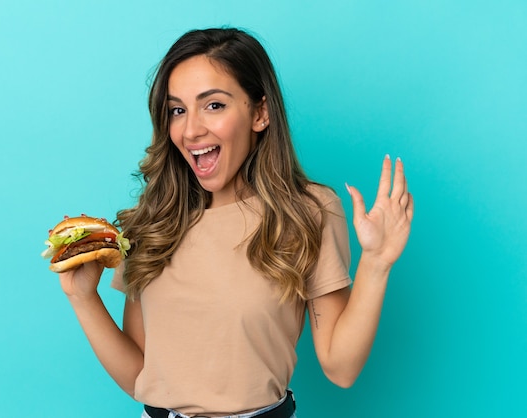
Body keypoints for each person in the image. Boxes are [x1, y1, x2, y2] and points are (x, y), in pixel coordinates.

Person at [57, 27, 414, 418]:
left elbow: (340, 367)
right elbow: (141, 376)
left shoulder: (308, 211)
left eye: (213, 105)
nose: (191, 129)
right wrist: (83, 297)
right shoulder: (152, 222)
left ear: (260, 112)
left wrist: (376, 264)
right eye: (178, 110)